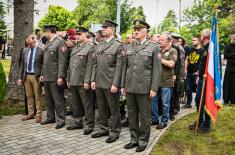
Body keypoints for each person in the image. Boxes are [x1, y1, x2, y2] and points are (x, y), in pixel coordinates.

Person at [121, 19, 161, 152]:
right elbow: (125, 67)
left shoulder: (154, 47)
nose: (135, 31)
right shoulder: (129, 46)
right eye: (135, 29)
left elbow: (156, 69)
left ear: (146, 31)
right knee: (131, 114)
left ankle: (143, 141)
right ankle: (134, 139)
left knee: (144, 116)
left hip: (144, 88)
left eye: (138, 29)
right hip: (130, 86)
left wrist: (154, 88)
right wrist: (123, 85)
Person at [90, 20, 124, 143]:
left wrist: (115, 83)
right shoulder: (99, 45)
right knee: (101, 107)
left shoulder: (119, 45)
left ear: (112, 30)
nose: (103, 29)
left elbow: (119, 67)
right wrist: (93, 79)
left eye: (106, 27)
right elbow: (95, 64)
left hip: (110, 83)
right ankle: (103, 128)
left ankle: (115, 132)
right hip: (99, 81)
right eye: (103, 27)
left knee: (113, 109)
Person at [66, 26, 95, 135]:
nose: (77, 36)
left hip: (83, 81)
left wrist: (87, 81)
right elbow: (70, 65)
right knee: (76, 103)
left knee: (87, 104)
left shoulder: (90, 48)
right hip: (73, 80)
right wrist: (68, 78)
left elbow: (90, 66)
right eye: (76, 34)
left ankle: (89, 124)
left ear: (86, 35)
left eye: (80, 34)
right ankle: (77, 122)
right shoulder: (75, 48)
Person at [40, 25, 68, 129]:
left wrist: (60, 76)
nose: (44, 34)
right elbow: (45, 61)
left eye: (45, 32)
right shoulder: (48, 42)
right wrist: (42, 74)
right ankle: (50, 117)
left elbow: (62, 61)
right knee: (48, 99)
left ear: (49, 31)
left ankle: (61, 120)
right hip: (47, 75)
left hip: (55, 76)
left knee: (58, 99)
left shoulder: (60, 42)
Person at [189, 29, 211, 133]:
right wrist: (199, 74)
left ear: (205, 37)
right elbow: (202, 65)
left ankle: (206, 125)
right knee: (198, 100)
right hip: (201, 78)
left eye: (201, 35)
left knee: (206, 102)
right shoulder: (204, 49)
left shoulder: (210, 49)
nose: (200, 37)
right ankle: (200, 121)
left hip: (207, 80)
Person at [18, 35, 44, 123]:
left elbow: (44, 64)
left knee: (38, 96)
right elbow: (22, 65)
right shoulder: (25, 50)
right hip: (26, 76)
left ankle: (39, 115)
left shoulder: (41, 50)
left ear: (35, 41)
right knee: (29, 96)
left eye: (31, 44)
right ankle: (30, 113)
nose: (29, 46)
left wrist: (42, 74)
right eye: (28, 44)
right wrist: (20, 77)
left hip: (36, 76)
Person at [184, 36, 203, 108]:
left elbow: (202, 63)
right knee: (188, 89)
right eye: (192, 40)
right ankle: (188, 103)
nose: (193, 41)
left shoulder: (202, 50)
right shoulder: (190, 49)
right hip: (189, 73)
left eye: (194, 40)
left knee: (198, 90)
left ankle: (198, 103)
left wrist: (198, 72)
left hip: (197, 74)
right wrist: (185, 69)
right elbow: (187, 59)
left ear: (198, 41)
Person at [223, 32, 235, 104]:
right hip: (229, 69)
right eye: (233, 36)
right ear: (231, 38)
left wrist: (231, 55)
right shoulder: (227, 46)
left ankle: (233, 100)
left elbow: (229, 55)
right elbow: (225, 56)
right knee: (227, 85)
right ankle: (226, 99)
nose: (234, 38)